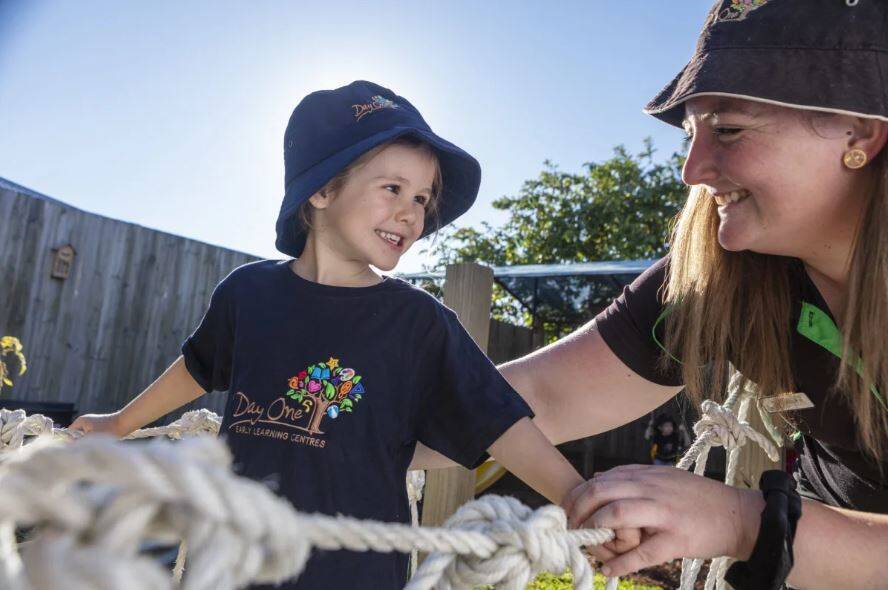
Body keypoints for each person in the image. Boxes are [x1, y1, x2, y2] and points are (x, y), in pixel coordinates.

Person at [409, 2, 888, 587]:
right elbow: (537, 397)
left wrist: (744, 521)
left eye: (729, 129)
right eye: (691, 134)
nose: (691, 170)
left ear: (860, 131)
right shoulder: (727, 275)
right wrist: (316, 427)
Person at [70, 81, 585, 590]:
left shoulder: (419, 323)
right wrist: (120, 422)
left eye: (423, 198)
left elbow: (496, 419)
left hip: (352, 573)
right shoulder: (247, 294)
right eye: (392, 188)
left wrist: (576, 495)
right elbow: (198, 367)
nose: (412, 213)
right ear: (321, 190)